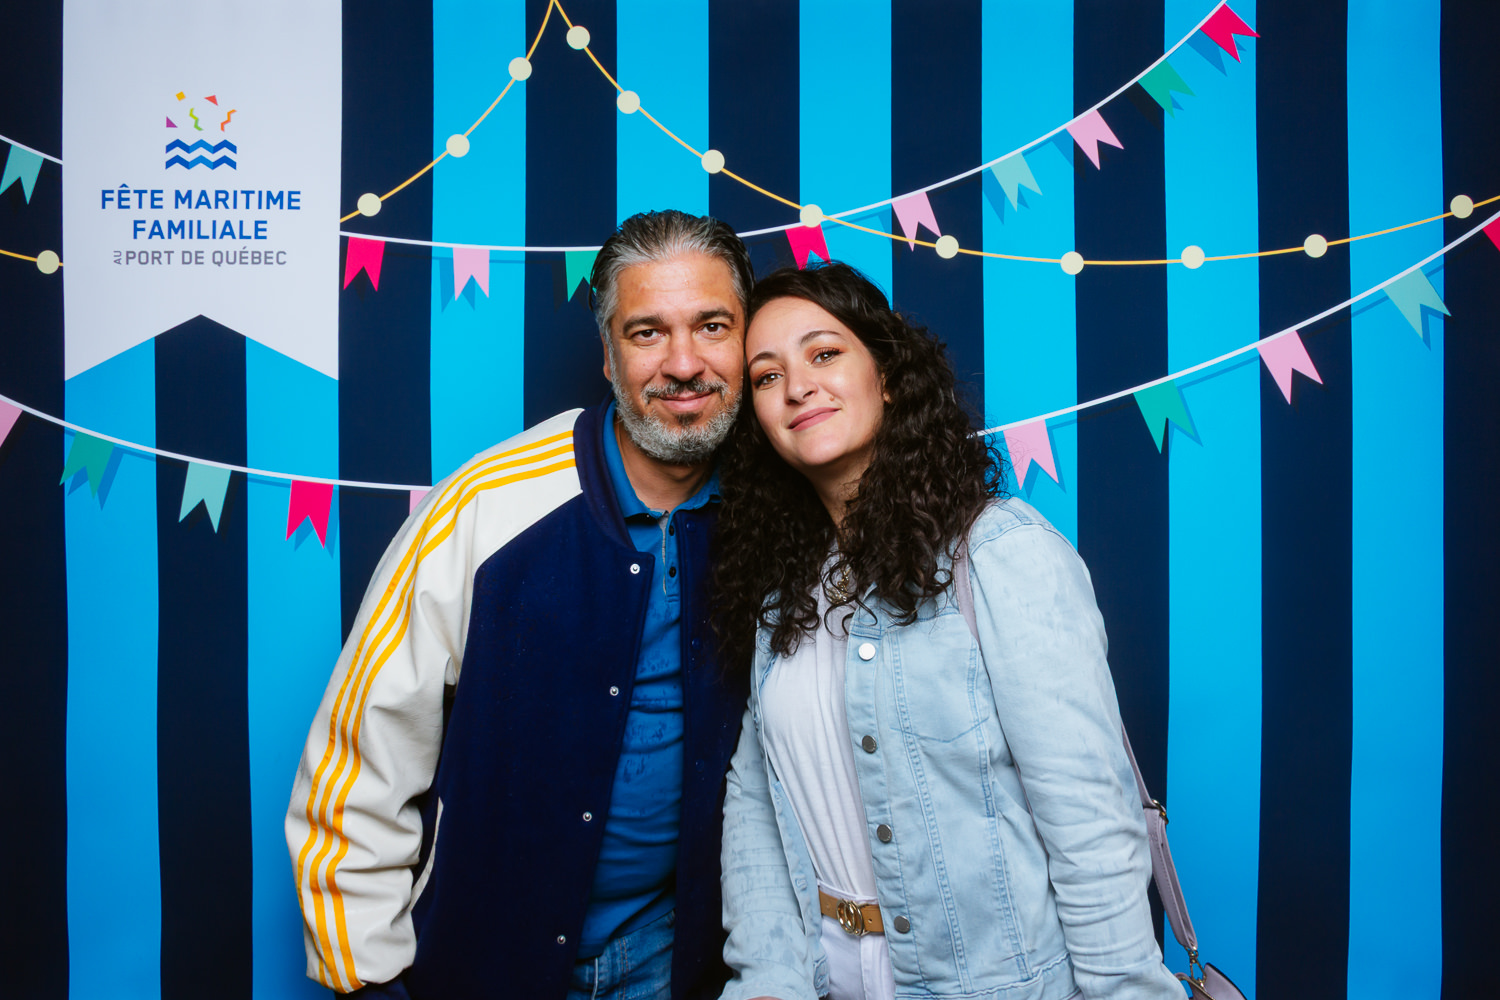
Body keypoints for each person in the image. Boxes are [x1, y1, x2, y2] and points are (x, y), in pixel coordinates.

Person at [285, 210, 754, 1000]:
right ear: (607, 355)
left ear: (747, 340)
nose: (684, 364)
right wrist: (366, 979)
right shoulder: (487, 505)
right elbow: (359, 756)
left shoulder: (778, 512)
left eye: (712, 326)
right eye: (646, 333)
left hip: (681, 962)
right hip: (485, 962)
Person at [711, 261, 1182, 1000]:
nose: (797, 386)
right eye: (767, 376)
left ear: (889, 378)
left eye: (824, 353)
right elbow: (758, 806)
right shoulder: (782, 595)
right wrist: (765, 978)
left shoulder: (999, 553)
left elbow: (1091, 824)